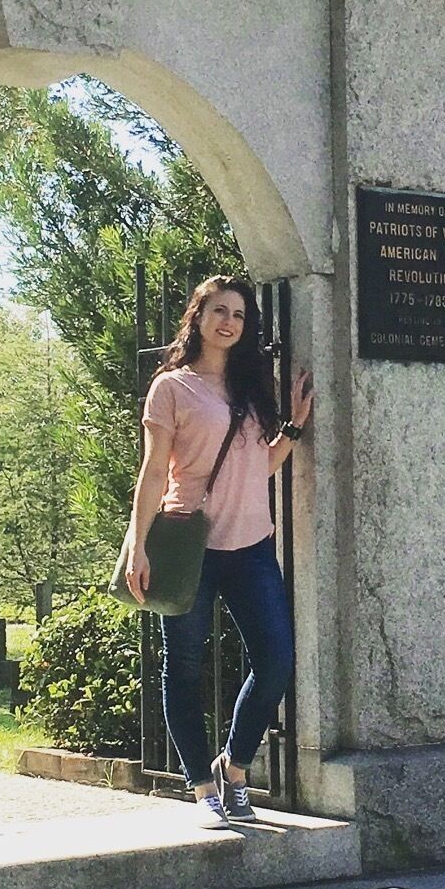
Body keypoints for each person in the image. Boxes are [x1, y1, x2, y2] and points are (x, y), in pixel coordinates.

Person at [117, 276, 314, 825]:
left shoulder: (253, 386)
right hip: (188, 545)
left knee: (276, 661)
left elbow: (259, 466)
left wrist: (293, 428)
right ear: (198, 317)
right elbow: (154, 471)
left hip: (251, 544)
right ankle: (202, 787)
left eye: (239, 314)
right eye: (219, 310)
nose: (230, 321)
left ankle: (234, 766)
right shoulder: (172, 388)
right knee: (182, 668)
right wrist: (139, 545)